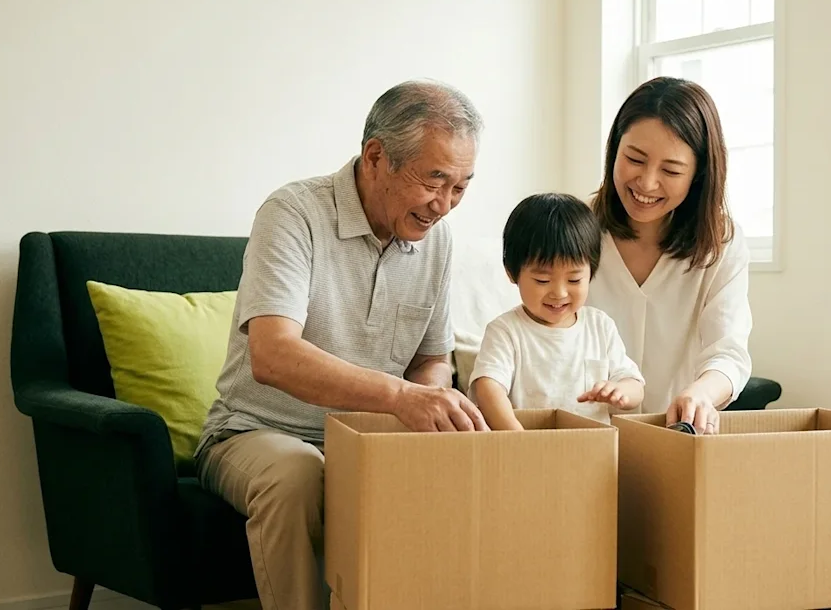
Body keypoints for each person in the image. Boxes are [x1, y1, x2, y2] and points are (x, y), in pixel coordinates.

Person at [194, 79, 489, 610]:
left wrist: (429, 401)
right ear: (377, 157)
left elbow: (431, 359)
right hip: (254, 432)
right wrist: (401, 399)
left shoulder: (437, 241)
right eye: (435, 180)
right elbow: (272, 354)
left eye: (461, 186)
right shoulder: (293, 214)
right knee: (298, 474)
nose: (444, 205)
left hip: (367, 437)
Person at [587, 76, 753, 436]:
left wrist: (701, 393)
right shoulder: (576, 229)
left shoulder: (721, 243)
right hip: (585, 438)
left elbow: (729, 351)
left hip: (674, 437)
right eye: (634, 159)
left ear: (698, 175)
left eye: (671, 170)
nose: (646, 183)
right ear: (614, 149)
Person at [468, 193, 645, 429]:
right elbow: (488, 388)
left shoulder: (599, 326)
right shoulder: (506, 331)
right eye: (542, 280)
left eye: (574, 280)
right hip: (528, 448)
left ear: (590, 272)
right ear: (512, 273)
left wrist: (621, 391)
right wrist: (516, 435)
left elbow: (634, 384)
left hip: (591, 449)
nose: (559, 293)